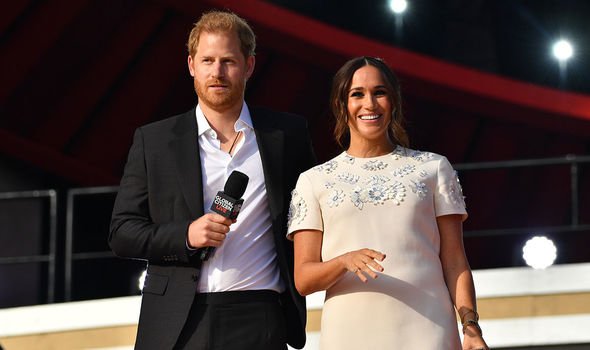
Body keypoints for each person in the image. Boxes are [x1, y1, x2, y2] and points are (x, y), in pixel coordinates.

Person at [109, 10, 315, 350]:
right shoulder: (155, 140)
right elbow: (122, 233)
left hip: (261, 313)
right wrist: (186, 235)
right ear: (192, 65)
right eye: (207, 60)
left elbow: (314, 213)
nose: (217, 72)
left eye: (228, 61)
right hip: (179, 319)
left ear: (249, 66)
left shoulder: (287, 135)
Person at [287, 56, 489, 349]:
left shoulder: (433, 168)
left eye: (379, 92)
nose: (370, 104)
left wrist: (470, 326)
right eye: (357, 94)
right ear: (341, 106)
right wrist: (344, 261)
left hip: (429, 329)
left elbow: (455, 261)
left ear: (393, 102)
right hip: (350, 333)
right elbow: (304, 279)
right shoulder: (313, 181)